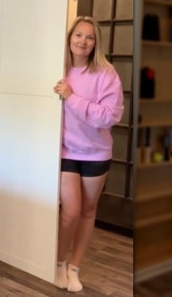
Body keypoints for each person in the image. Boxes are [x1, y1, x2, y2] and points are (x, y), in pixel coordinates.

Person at [52, 16, 124, 292]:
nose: (83, 41)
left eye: (90, 37)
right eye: (78, 35)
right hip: (65, 150)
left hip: (96, 153)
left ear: (96, 43)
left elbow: (109, 116)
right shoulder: (57, 67)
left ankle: (74, 268)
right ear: (70, 37)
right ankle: (59, 263)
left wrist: (71, 97)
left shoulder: (106, 73)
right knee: (70, 212)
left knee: (87, 211)